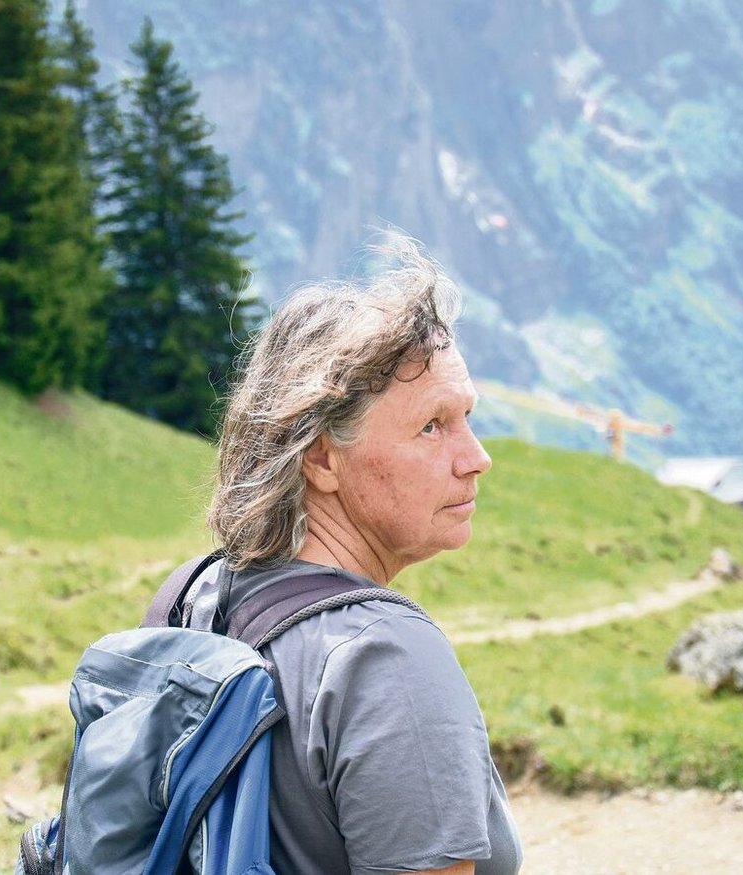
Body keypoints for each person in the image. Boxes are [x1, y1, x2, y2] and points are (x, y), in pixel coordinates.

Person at [204, 241, 522, 874]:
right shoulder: (386, 659)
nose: (476, 458)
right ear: (322, 458)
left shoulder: (195, 597)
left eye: (466, 418)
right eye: (433, 426)